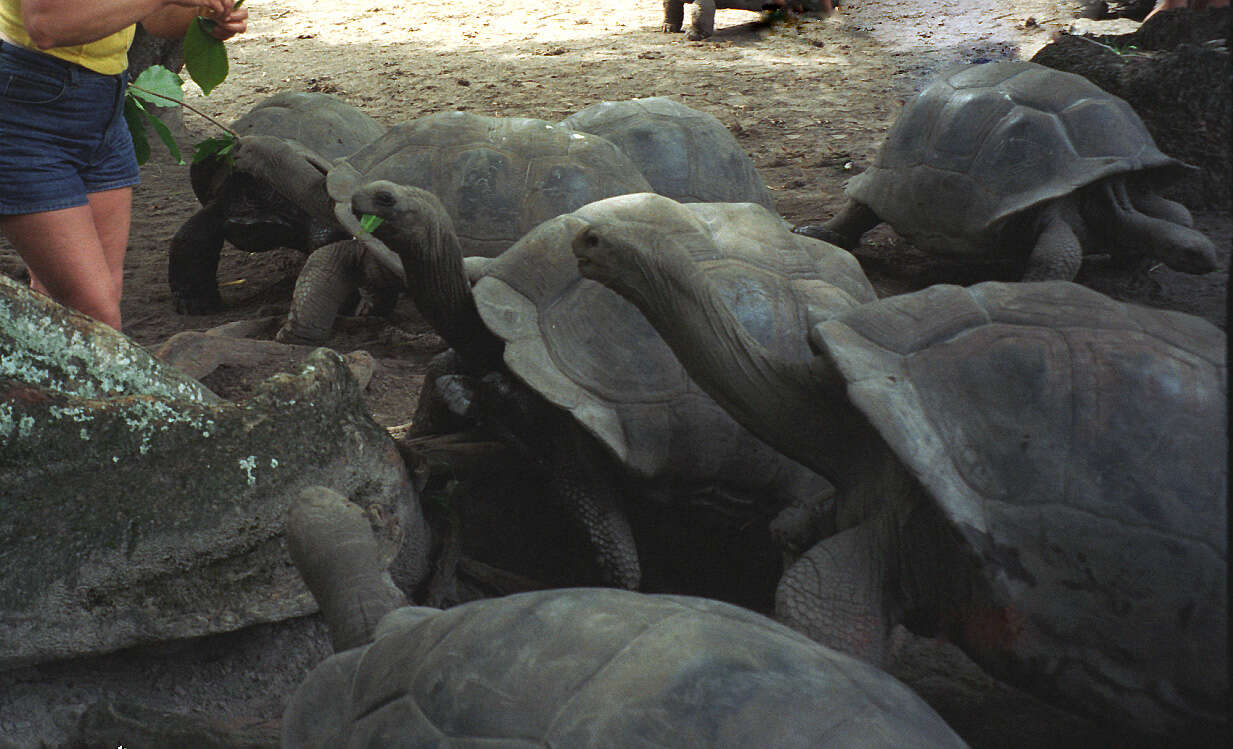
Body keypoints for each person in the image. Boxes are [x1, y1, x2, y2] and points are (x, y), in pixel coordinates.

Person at [0, 1, 248, 330]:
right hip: (28, 109)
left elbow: (156, 19)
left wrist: (204, 16)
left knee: (71, 297)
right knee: (96, 313)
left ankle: (37, 382)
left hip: (103, 105)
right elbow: (47, 25)